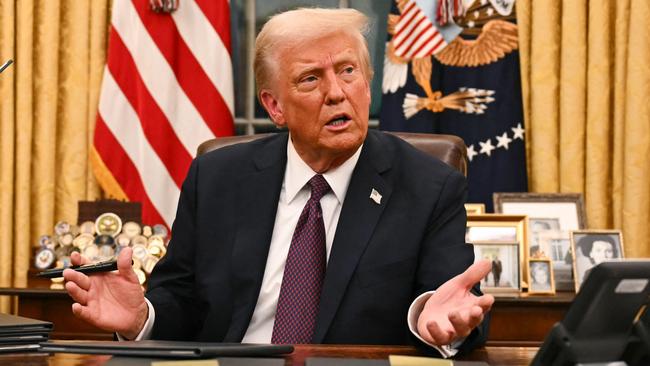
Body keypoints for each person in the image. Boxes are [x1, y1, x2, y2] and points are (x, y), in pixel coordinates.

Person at [62, 7, 493, 357]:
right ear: (274, 107)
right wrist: (142, 319)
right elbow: (183, 298)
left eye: (348, 71)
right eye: (311, 78)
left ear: (367, 83)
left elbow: (452, 302)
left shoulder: (428, 185)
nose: (337, 93)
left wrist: (434, 321)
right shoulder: (218, 177)